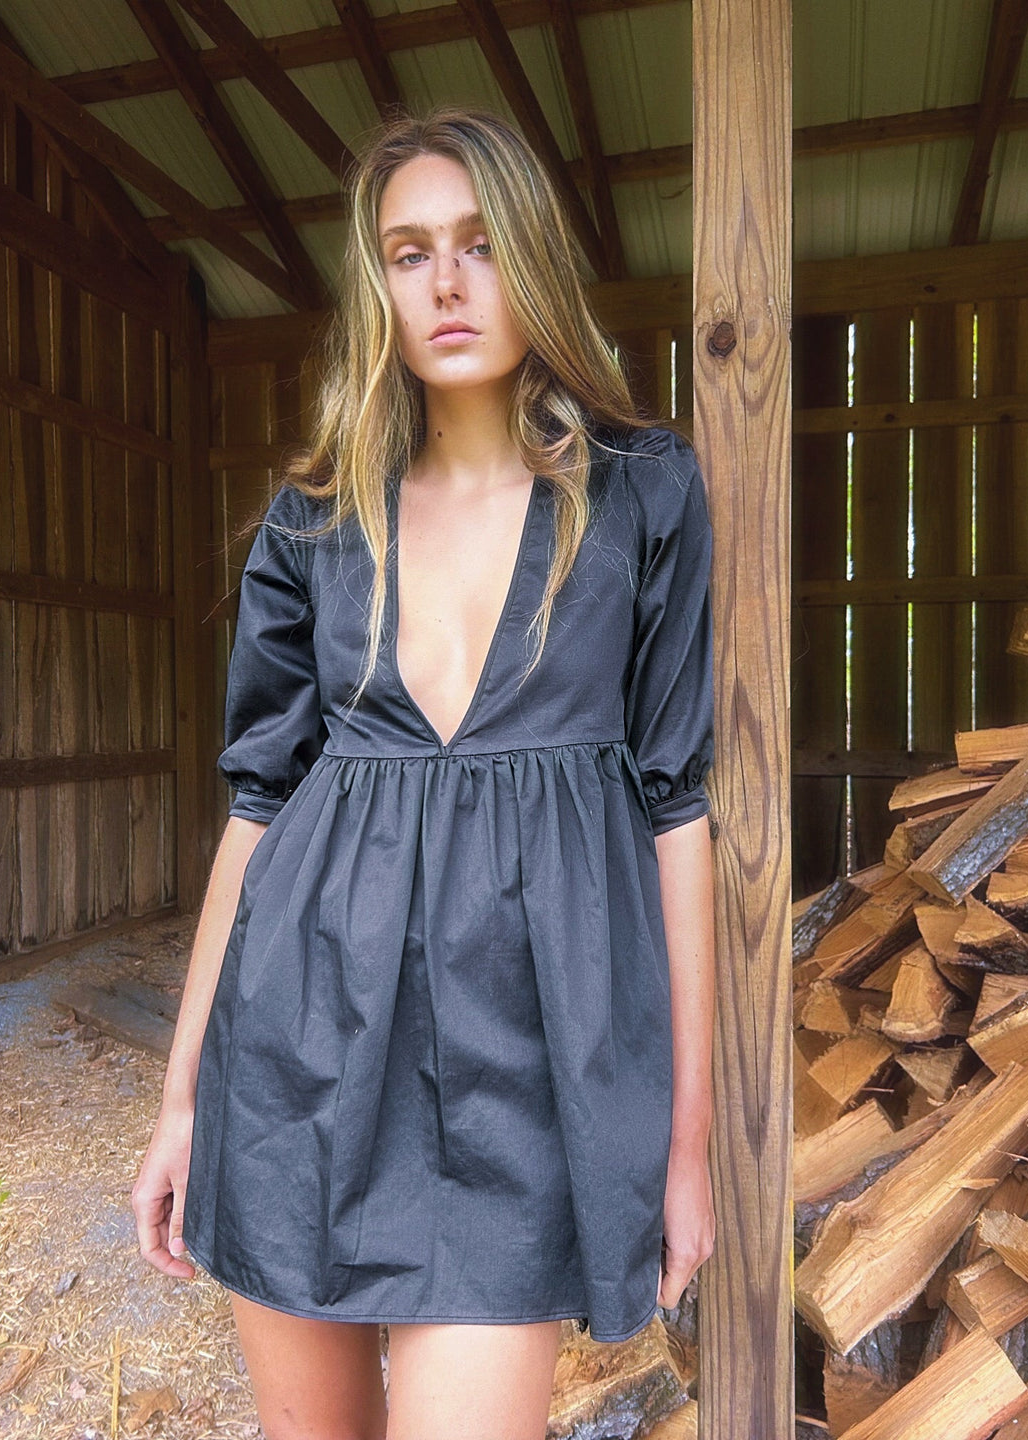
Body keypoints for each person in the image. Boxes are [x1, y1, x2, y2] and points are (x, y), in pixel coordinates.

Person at [131, 106, 718, 1440]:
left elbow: (676, 814)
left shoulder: (639, 496)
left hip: (518, 1085)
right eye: (407, 253)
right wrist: (180, 1103)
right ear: (375, 283)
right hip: (296, 1060)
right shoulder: (316, 520)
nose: (446, 284)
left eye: (478, 242)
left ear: (535, 263)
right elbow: (258, 815)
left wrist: (678, 1145)